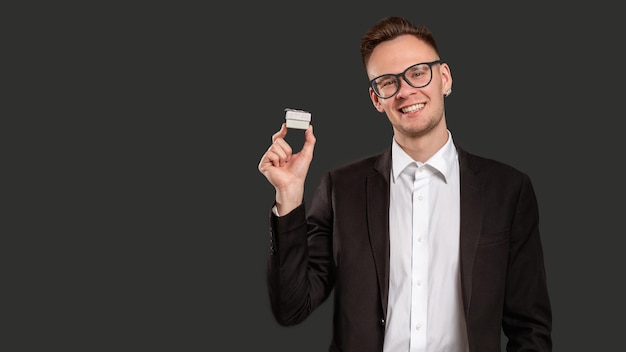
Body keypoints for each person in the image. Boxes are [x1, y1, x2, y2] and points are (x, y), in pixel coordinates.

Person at [257, 16, 552, 352]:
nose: (405, 91)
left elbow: (530, 329)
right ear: (376, 99)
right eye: (388, 82)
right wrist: (289, 196)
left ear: (444, 78)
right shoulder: (341, 188)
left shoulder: (508, 190)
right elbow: (291, 308)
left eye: (417, 73)